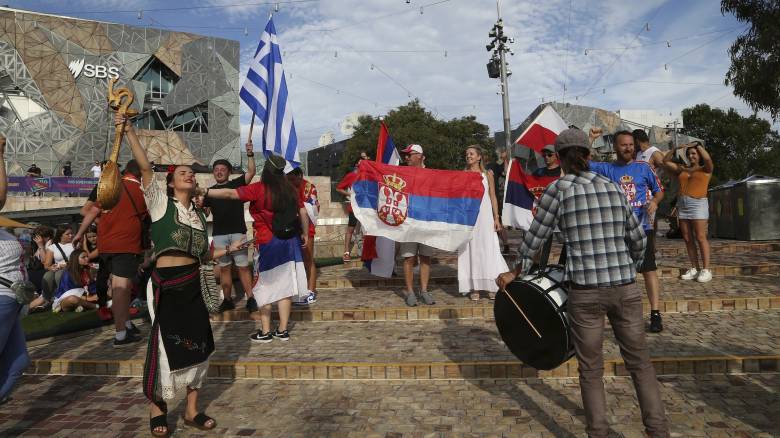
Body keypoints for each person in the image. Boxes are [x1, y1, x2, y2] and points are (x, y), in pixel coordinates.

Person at [496, 128, 668, 438]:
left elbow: (535, 238)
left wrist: (514, 272)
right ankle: (657, 432)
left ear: (559, 159)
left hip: (585, 292)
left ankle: (598, 433)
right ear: (589, 156)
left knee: (591, 370)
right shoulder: (613, 188)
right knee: (640, 365)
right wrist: (627, 266)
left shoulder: (557, 190)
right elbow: (638, 239)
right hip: (624, 287)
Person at [120, 113, 243, 437]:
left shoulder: (200, 217)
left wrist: (232, 250)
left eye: (191, 172)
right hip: (168, 287)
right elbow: (146, 168)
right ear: (172, 183)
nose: (189, 175)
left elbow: (203, 255)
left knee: (200, 347)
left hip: (195, 287)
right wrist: (130, 130)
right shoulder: (161, 204)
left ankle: (191, 411)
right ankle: (157, 408)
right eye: (183, 173)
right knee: (165, 346)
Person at [200, 155, 309, 344]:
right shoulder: (290, 189)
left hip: (267, 243)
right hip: (290, 242)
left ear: (266, 171)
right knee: (286, 287)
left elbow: (230, 194)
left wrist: (205, 191)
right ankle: (282, 330)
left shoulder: (259, 189)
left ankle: (266, 331)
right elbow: (303, 212)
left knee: (263, 285)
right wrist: (305, 233)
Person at [589, 129, 666, 333]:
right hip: (617, 230)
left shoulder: (644, 168)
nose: (628, 148)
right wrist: (591, 139)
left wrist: (654, 202)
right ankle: (623, 315)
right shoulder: (606, 168)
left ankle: (655, 312)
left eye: (631, 144)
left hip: (643, 227)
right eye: (623, 145)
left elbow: (659, 192)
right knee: (621, 274)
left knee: (649, 270)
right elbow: (582, 162)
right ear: (615, 147)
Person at [73, 160, 148, 341]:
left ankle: (127, 324)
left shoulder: (111, 187)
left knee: (120, 285)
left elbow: (90, 211)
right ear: (140, 173)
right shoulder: (140, 190)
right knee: (121, 288)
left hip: (105, 245)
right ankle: (121, 333)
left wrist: (79, 233)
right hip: (126, 244)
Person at [203, 144, 257, 314]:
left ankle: (250, 298)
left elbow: (251, 172)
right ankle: (227, 300)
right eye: (216, 169)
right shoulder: (208, 192)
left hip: (238, 233)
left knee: (242, 267)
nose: (219, 171)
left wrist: (250, 154)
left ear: (229, 172)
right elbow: (205, 213)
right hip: (219, 235)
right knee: (224, 268)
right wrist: (199, 203)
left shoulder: (237, 184)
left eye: (222, 169)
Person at [0, 135, 30, 406]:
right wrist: (0, 156)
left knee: (20, 360)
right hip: (1, 298)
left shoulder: (3, 230)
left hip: (12, 300)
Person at [458, 145, 508, 301]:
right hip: (470, 218)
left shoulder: (487, 174)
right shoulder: (462, 175)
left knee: (488, 248)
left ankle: (491, 285)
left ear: (479, 157)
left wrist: (496, 217)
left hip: (485, 217)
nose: (468, 156)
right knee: (471, 249)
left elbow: (493, 196)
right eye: (467, 154)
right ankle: (475, 287)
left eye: (471, 154)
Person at [662, 141, 714, 283]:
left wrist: (697, 145)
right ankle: (694, 268)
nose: (691, 156)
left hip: (698, 204)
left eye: (694, 154)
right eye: (689, 154)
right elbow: (665, 161)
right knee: (687, 238)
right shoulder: (682, 169)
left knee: (700, 236)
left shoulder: (706, 169)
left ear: (699, 155)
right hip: (683, 204)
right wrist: (675, 148)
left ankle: (706, 269)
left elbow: (708, 159)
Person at [399, 144, 435, 307]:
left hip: (426, 221)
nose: (406, 157)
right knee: (409, 257)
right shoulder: (402, 174)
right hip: (409, 222)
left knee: (425, 257)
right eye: (405, 155)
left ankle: (424, 290)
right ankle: (410, 292)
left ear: (420, 156)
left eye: (410, 154)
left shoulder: (431, 174)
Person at [287, 167, 319, 305]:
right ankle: (298, 290)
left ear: (299, 175)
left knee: (308, 259)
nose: (291, 181)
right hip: (292, 229)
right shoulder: (287, 187)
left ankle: (311, 291)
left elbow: (311, 211)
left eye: (293, 178)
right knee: (295, 262)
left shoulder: (308, 188)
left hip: (307, 228)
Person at [336, 157, 364, 262]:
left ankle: (366, 253)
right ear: (356, 164)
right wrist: (350, 194)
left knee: (367, 230)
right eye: (362, 162)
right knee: (350, 229)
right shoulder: (351, 175)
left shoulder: (367, 176)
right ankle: (346, 252)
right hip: (354, 207)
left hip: (365, 208)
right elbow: (338, 188)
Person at [485, 146, 510, 252]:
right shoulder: (471, 168)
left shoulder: (493, 166)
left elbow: (506, 172)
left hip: (492, 198)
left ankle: (506, 244)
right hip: (479, 200)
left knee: (497, 222)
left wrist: (505, 159)